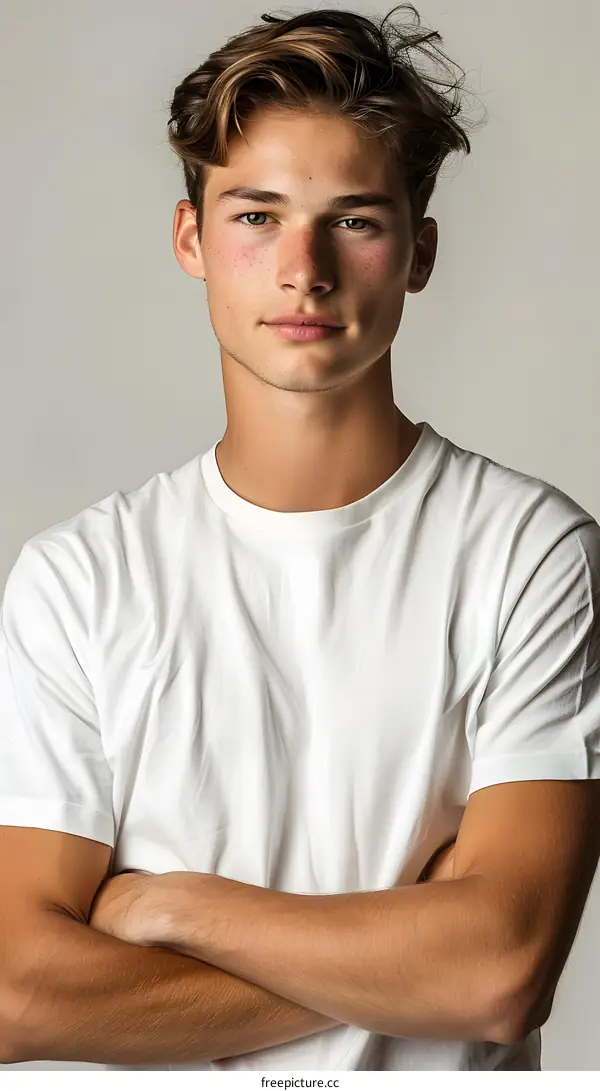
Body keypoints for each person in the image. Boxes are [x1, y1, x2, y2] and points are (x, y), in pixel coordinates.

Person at [1, 3, 600, 1073]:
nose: (305, 268)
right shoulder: (75, 582)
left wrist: (169, 904)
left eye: (356, 219)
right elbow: (19, 991)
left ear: (418, 251)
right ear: (192, 238)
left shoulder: (529, 552)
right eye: (257, 215)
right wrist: (401, 955)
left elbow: (498, 971)